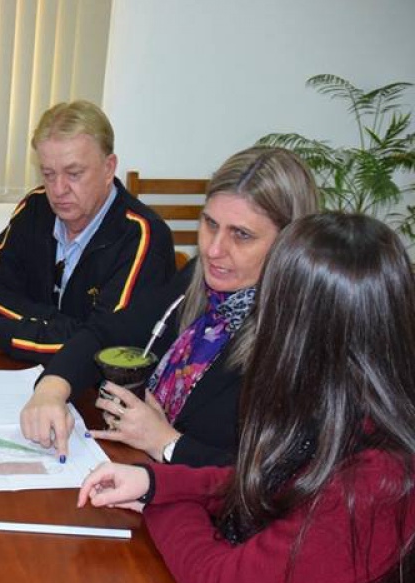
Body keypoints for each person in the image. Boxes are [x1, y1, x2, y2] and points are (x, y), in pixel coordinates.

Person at [78, 213, 415, 583]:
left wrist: (164, 502)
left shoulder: (378, 481)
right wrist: (160, 482)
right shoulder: (338, 408)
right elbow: (265, 482)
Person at [21, 146, 318, 465]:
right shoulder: (198, 281)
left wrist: (165, 442)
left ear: (289, 243)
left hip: (192, 490)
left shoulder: (305, 342)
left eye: (241, 235)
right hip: (137, 471)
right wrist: (52, 389)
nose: (213, 250)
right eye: (210, 224)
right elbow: (109, 331)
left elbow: (276, 474)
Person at [0, 100, 175, 360]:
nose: (58, 190)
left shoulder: (142, 236)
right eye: (49, 174)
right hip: (22, 369)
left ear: (108, 168)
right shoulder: (36, 207)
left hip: (98, 381)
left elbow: (105, 345)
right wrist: (64, 328)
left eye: (74, 174)